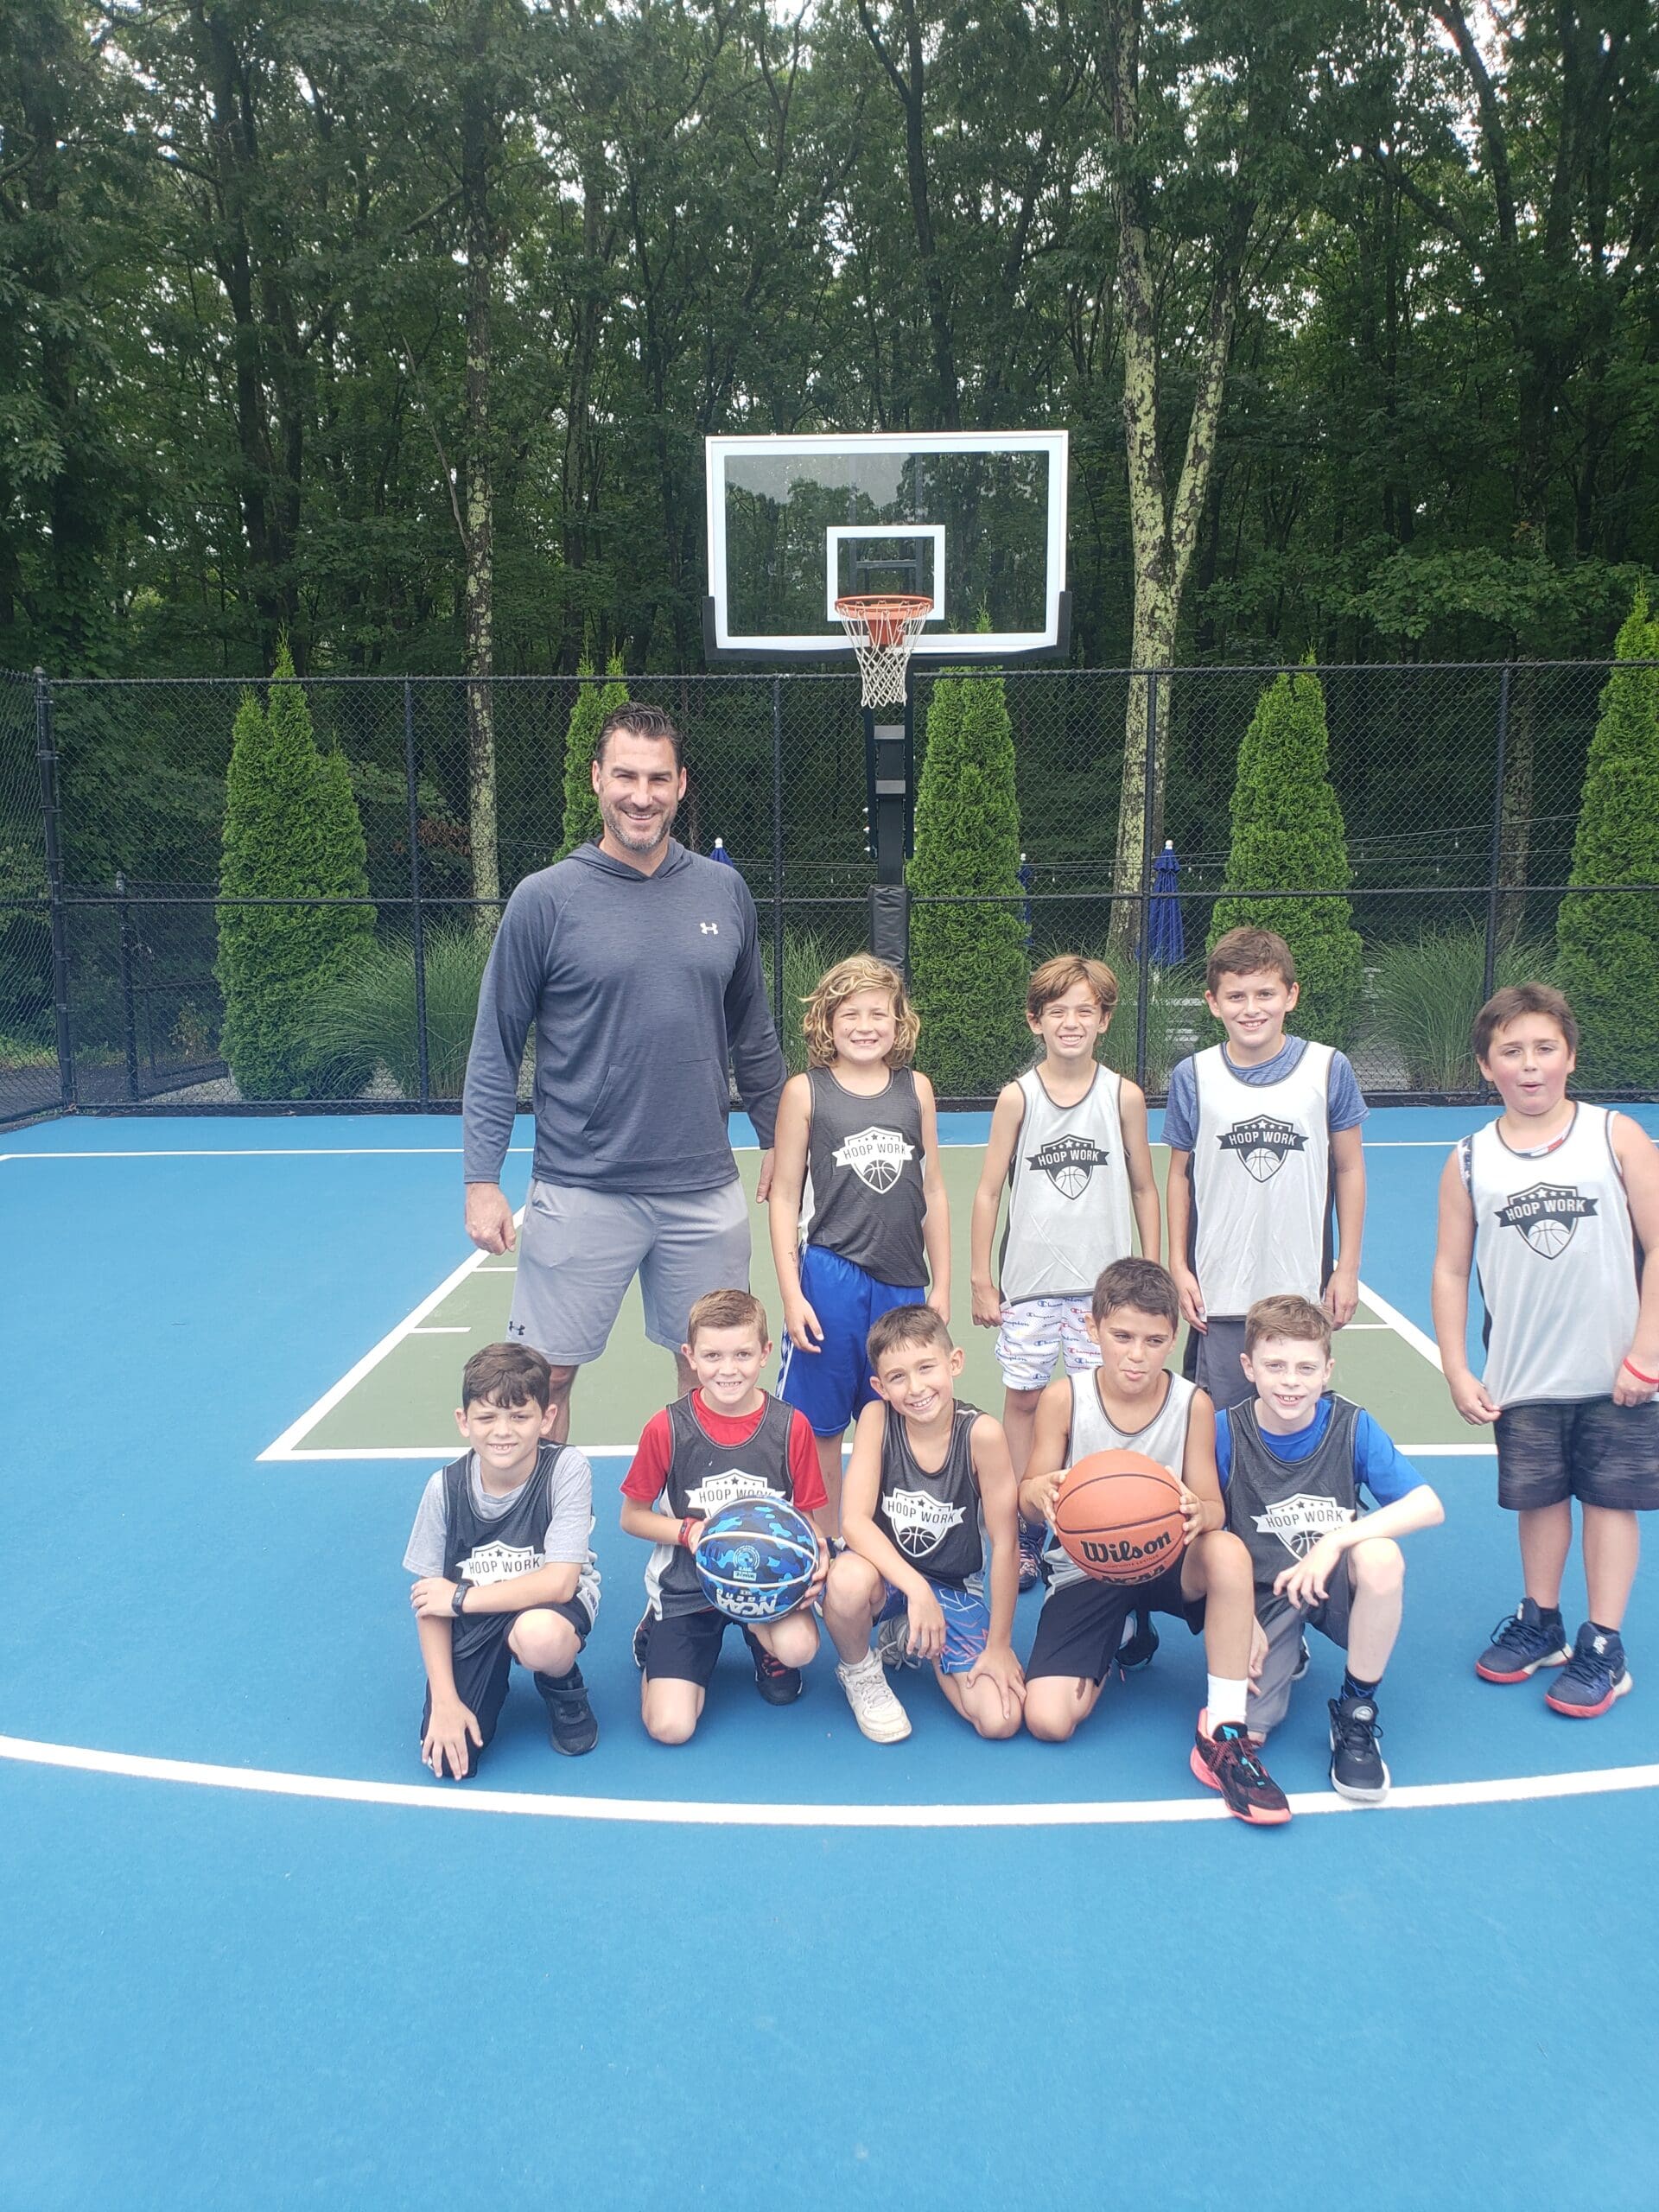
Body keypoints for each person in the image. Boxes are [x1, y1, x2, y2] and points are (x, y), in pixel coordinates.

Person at [461, 702, 787, 1440]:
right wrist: (482, 1179)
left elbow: (753, 1031)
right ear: (596, 779)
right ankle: (545, 1512)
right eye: (626, 777)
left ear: (681, 784)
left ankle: (700, 1508)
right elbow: (495, 1046)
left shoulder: (723, 892)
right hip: (581, 1187)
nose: (642, 795)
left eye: (658, 778)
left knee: (712, 1373)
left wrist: (777, 1139)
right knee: (545, 1377)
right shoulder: (545, 900)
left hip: (702, 1187)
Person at [1431, 982, 1659, 1715]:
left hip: (1615, 1370)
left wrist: (1648, 1351)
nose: (1529, 1065)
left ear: (1570, 1056)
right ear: (1485, 1065)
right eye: (1511, 1052)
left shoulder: (1614, 1136)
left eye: (1544, 1048)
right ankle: (1543, 1620)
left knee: (1610, 1501)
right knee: (1539, 1500)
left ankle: (1604, 1643)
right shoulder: (1470, 1159)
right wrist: (1457, 1367)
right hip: (1523, 1372)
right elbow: (1449, 1270)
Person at [1019, 1258, 1293, 1826]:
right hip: (1088, 1565)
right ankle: (1122, 1628)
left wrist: (1196, 1511)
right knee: (1048, 1721)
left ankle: (1224, 1732)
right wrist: (1039, 1490)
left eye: (1153, 1340)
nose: (1136, 1355)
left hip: (1168, 1558)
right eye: (1121, 1337)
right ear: (1093, 1329)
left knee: (1227, 1552)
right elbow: (1026, 1497)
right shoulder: (1065, 1399)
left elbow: (1213, 1508)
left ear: (1173, 1339)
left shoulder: (1192, 1403)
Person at [969, 953, 1160, 1591]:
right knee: (1024, 1400)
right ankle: (1025, 1528)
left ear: (1104, 1020)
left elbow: (1144, 1187)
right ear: (1036, 1020)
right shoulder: (1017, 1098)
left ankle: (1090, 1521)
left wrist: (1151, 1270)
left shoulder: (1123, 1096)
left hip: (1101, 1290)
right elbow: (988, 1192)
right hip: (1030, 1285)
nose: (1071, 1022)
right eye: (1058, 1012)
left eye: (1085, 1011)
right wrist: (982, 1278)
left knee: (1092, 1407)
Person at [1218, 1294, 1443, 1802]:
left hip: (1330, 1581)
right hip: (1263, 1590)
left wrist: (1335, 1541)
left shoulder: (1351, 1425)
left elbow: (1428, 1505)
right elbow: (1205, 1533)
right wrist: (1236, 1613)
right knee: (1248, 1729)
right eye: (1275, 1366)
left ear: (1327, 1371)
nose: (1291, 1381)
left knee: (1381, 1556)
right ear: (1249, 1367)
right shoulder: (1224, 1431)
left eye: (1305, 1368)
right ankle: (1287, 1642)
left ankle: (1356, 1711)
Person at [769, 955, 949, 1529]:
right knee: (820, 1424)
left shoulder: (917, 1089)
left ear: (899, 1022)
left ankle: (885, 1537)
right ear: (827, 1021)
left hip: (903, 1280)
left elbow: (933, 1190)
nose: (865, 1026)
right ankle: (825, 1540)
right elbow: (784, 1198)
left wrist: (942, 1285)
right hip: (830, 1276)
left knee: (897, 1415)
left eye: (878, 1013)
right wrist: (792, 1294)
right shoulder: (805, 1092)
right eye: (851, 1014)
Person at [1164, 926, 1369, 1412]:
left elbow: (1349, 1169)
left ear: (1290, 996)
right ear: (1213, 1003)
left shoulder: (1328, 1068)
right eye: (1236, 996)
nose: (1251, 1008)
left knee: (1294, 1415)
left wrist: (1347, 1269)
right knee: (1223, 1426)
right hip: (1221, 1287)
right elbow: (1178, 1177)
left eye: (1265, 994)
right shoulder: (1193, 1075)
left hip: (1300, 1287)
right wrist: (1178, 1266)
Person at [620, 1290, 829, 1745]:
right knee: (671, 1728)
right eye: (713, 1355)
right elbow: (632, 1518)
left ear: (765, 1354)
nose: (728, 1369)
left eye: (742, 1355)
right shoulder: (666, 1428)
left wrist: (820, 1554)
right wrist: (688, 1531)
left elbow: (807, 1520)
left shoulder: (791, 1427)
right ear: (690, 1356)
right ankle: (662, 1634)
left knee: (799, 1648)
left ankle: (757, 1632)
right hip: (689, 1584)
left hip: (765, 1586)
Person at [823, 1306, 1024, 1745]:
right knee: (846, 1579)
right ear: (880, 1387)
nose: (915, 1388)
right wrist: (916, 1590)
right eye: (897, 1377)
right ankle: (860, 1672)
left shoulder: (982, 1435)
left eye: (926, 1368)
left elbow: (1007, 1545)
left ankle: (907, 1636)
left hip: (954, 1586)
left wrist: (999, 1646)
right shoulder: (877, 1419)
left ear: (955, 1362)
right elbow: (853, 1522)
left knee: (999, 1719)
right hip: (888, 1578)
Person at [405, 1342, 601, 1777]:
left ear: (547, 1418)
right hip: (475, 1616)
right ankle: (484, 1683)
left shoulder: (566, 1469)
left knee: (540, 1637)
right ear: (464, 1421)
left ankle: (561, 1682)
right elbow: (429, 1603)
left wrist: (459, 1599)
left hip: (543, 1606)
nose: (502, 1431)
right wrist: (445, 1700)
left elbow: (559, 1583)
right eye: (487, 1417)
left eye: (519, 1416)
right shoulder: (444, 1489)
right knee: (449, 1764)